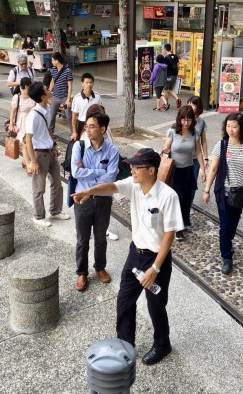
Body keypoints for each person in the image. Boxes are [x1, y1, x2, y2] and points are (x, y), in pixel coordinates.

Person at [72, 148, 184, 366]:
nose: (131, 170)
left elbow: (169, 236)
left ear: (151, 170)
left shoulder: (168, 196)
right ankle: (125, 343)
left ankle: (163, 344)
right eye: (131, 166)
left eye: (136, 167)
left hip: (156, 260)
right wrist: (88, 192)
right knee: (124, 301)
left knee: (156, 306)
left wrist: (155, 269)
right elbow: (111, 186)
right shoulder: (134, 186)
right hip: (135, 255)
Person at [202, 113, 243, 275]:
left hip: (242, 193)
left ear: (241, 128)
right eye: (228, 126)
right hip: (224, 192)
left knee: (233, 223)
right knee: (225, 225)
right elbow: (213, 169)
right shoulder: (221, 145)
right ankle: (227, 257)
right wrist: (207, 190)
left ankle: (227, 241)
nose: (231, 130)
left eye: (234, 126)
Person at [71, 112, 120, 291]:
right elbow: (75, 173)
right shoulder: (79, 146)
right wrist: (100, 171)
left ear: (102, 129)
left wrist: (90, 171)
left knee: (100, 238)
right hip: (82, 199)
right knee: (82, 239)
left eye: (92, 126)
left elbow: (111, 177)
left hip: (103, 200)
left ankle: (100, 267)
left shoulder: (112, 150)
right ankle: (82, 273)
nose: (88, 129)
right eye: (87, 126)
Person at [24, 81, 71, 227]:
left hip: (50, 152)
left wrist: (54, 145)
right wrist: (33, 161)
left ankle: (55, 211)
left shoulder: (48, 108)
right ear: (42, 96)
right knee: (39, 187)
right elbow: (28, 140)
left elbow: (48, 131)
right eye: (46, 89)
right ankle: (38, 216)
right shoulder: (33, 115)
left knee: (57, 184)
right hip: (39, 154)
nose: (49, 89)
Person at [163, 106, 206, 241]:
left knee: (187, 198)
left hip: (188, 170)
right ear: (179, 119)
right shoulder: (172, 132)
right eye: (183, 120)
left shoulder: (194, 133)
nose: (186, 123)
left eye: (188, 120)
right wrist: (165, 148)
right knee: (177, 198)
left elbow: (198, 152)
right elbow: (166, 148)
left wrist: (203, 169)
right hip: (174, 171)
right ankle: (176, 227)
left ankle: (182, 222)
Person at [80, 104, 118, 241]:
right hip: (88, 186)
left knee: (103, 210)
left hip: (104, 187)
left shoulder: (108, 132)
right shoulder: (85, 138)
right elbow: (81, 170)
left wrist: (107, 171)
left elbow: (111, 173)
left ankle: (104, 229)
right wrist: (102, 171)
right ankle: (84, 228)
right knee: (88, 208)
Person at [8, 77, 35, 172]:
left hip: (32, 121)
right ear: (26, 86)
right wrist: (11, 124)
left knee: (30, 142)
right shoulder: (17, 97)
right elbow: (13, 111)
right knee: (25, 143)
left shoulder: (33, 96)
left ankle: (25, 160)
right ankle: (28, 165)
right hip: (22, 121)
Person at [187, 96, 208, 214]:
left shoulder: (201, 122)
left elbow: (203, 141)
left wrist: (206, 158)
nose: (190, 106)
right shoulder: (182, 118)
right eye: (189, 103)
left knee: (192, 183)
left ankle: (188, 204)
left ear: (198, 107)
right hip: (181, 158)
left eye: (193, 104)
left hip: (195, 158)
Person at [71, 73, 101, 140]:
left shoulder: (97, 96)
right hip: (82, 124)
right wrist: (74, 131)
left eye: (91, 82)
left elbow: (101, 112)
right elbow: (74, 116)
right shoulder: (77, 98)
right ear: (82, 83)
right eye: (87, 82)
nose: (89, 85)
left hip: (94, 124)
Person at [48, 52, 73, 132]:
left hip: (64, 98)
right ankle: (51, 131)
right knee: (52, 115)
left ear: (57, 61)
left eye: (52, 60)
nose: (52, 62)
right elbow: (52, 82)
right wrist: (49, 94)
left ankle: (72, 133)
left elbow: (70, 86)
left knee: (69, 116)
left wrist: (68, 99)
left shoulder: (67, 71)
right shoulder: (53, 70)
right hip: (55, 97)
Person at [162, 43, 181, 109]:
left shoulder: (166, 58)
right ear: (171, 49)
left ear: (165, 49)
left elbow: (164, 67)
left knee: (165, 90)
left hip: (168, 76)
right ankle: (177, 99)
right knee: (170, 89)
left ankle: (166, 103)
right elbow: (178, 65)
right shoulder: (175, 56)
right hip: (175, 75)